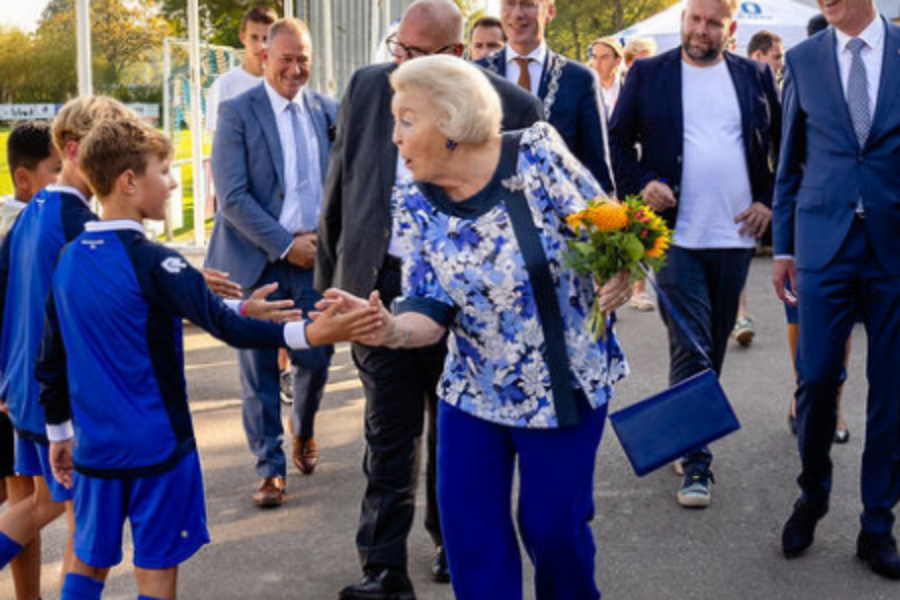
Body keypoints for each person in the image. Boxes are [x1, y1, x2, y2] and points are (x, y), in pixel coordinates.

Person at [35, 115, 381, 600]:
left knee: (88, 565)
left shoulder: (70, 256)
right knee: (155, 571)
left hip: (95, 450)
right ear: (130, 182)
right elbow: (226, 327)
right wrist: (313, 331)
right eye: (164, 170)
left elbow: (51, 357)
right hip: (158, 449)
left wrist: (58, 433)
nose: (173, 181)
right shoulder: (154, 259)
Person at [326, 54, 630, 600]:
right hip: (472, 391)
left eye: (406, 119)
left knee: (552, 531)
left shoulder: (534, 153)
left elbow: (607, 224)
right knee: (471, 536)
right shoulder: (414, 202)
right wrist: (390, 329)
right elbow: (428, 308)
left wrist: (623, 271)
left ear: (449, 119)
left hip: (562, 384)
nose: (393, 136)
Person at [316, 1, 542, 596]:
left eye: (415, 56)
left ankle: (450, 540)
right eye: (398, 50)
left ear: (454, 56)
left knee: (455, 428)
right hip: (378, 284)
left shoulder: (511, 107)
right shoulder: (369, 89)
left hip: (467, 298)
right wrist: (330, 279)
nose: (401, 66)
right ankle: (383, 567)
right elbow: (343, 182)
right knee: (387, 432)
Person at [610, 0, 781, 508]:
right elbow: (617, 141)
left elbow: (781, 145)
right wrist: (644, 183)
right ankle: (698, 464)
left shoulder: (754, 75)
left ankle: (687, 433)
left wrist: (767, 201)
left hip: (735, 239)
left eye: (713, 23)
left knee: (711, 344)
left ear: (730, 29)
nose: (701, 30)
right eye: (694, 19)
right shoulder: (647, 73)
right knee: (692, 342)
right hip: (673, 237)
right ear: (683, 20)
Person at [774, 0, 900, 579]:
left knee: (893, 392)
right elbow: (789, 164)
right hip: (823, 247)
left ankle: (877, 524)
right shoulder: (802, 59)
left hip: (894, 248)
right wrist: (782, 246)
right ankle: (813, 493)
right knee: (819, 377)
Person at [206, 17, 339, 508]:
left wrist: (319, 243)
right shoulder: (238, 112)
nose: (295, 68)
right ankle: (269, 468)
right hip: (255, 260)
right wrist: (285, 244)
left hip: (313, 259)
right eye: (286, 58)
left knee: (316, 355)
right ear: (265, 57)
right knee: (257, 367)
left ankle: (302, 427)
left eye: (303, 58)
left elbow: (341, 186)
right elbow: (234, 197)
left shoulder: (329, 110)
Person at [0, 97, 131, 591]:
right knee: (81, 519)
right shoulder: (79, 226)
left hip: (24, 389)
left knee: (44, 504)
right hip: (58, 396)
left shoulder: (32, 210)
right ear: (77, 151)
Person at [0, 120, 62, 600]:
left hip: (11, 384)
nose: (63, 179)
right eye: (55, 169)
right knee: (33, 502)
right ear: (26, 178)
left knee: (24, 503)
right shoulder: (23, 227)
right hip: (13, 388)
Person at [478, 0, 615, 195]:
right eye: (509, 3)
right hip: (487, 217)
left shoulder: (580, 80)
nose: (517, 14)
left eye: (527, 4)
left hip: (562, 218)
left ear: (549, 11)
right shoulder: (474, 76)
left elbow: (597, 168)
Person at [590, 36, 625, 116]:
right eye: (594, 57)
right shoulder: (585, 88)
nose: (597, 64)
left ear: (618, 61)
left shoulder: (628, 86)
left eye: (604, 58)